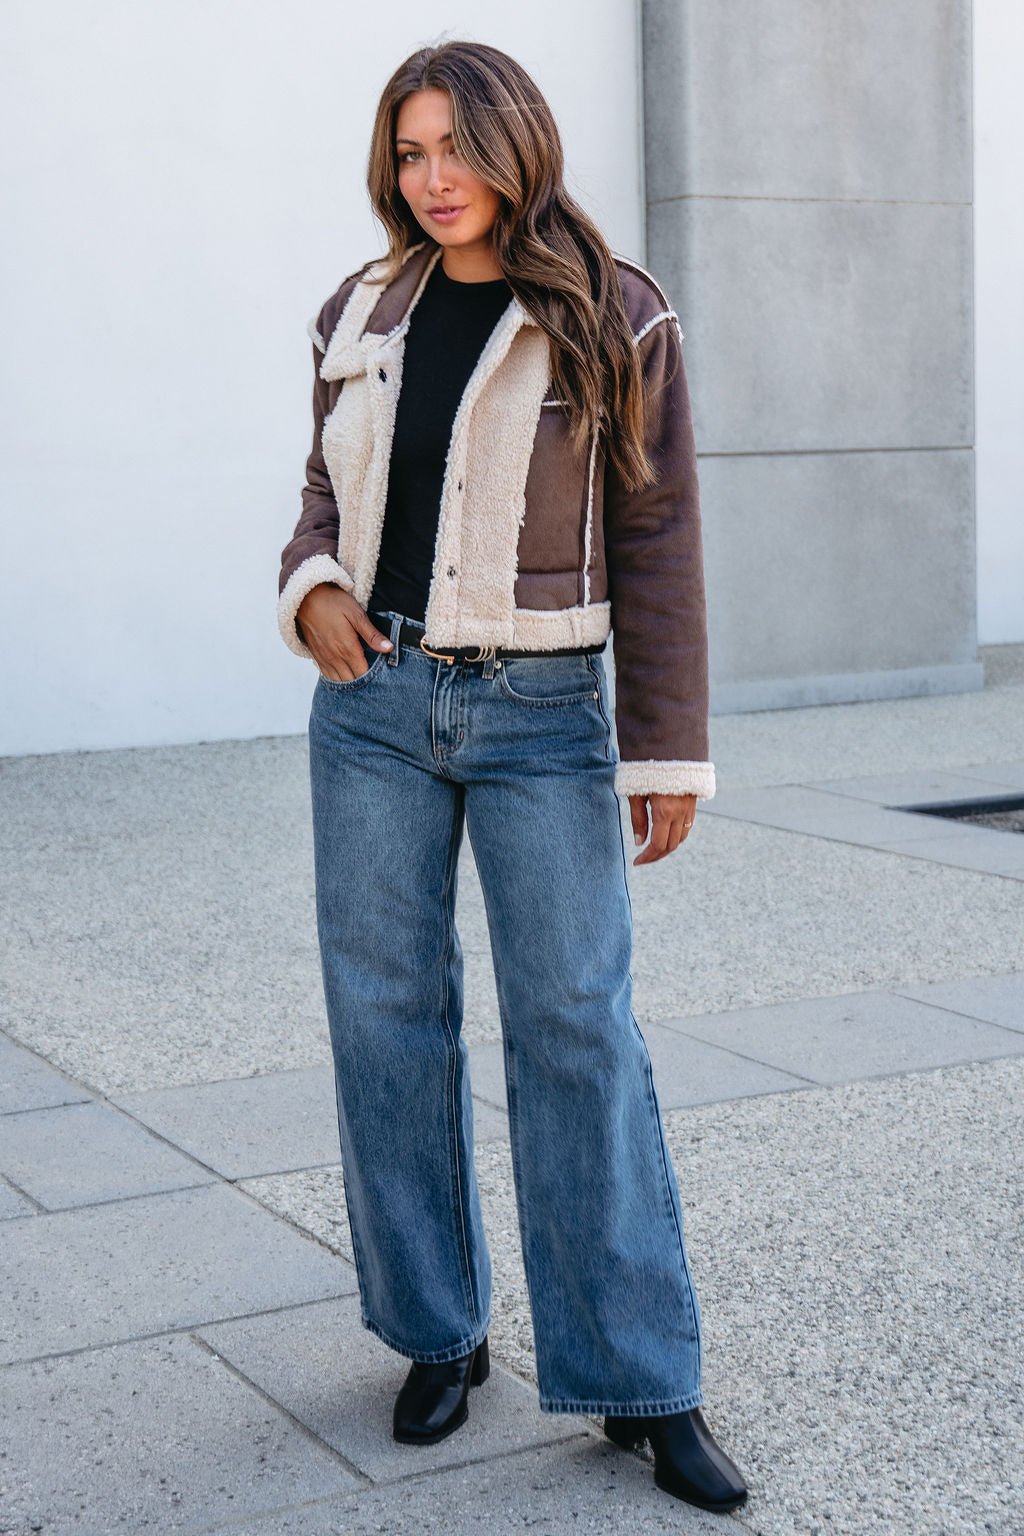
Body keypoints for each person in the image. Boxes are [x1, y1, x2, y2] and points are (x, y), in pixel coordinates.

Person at [276, 39, 748, 1515]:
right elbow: (321, 490)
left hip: (544, 711)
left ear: (515, 144)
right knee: (385, 1019)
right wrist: (313, 587)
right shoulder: (360, 308)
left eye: (456, 148)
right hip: (373, 705)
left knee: (576, 1028)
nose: (434, 178)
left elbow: (658, 538)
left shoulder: (616, 311)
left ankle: (640, 1378)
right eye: (410, 152)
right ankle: (438, 1332)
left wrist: (663, 745)